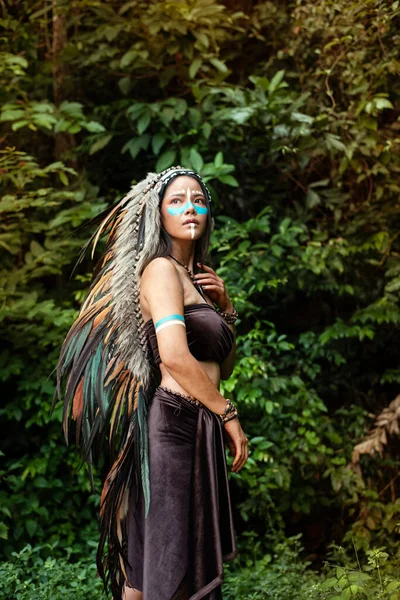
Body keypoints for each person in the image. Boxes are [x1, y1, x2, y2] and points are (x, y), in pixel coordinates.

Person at [55, 166, 249, 600]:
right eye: (176, 200)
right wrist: (227, 414)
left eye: (197, 199)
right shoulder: (161, 269)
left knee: (157, 566)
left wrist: (226, 307)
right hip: (177, 426)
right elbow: (175, 358)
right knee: (170, 566)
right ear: (157, 214)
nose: (190, 208)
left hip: (196, 427)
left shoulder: (193, 277)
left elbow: (222, 366)